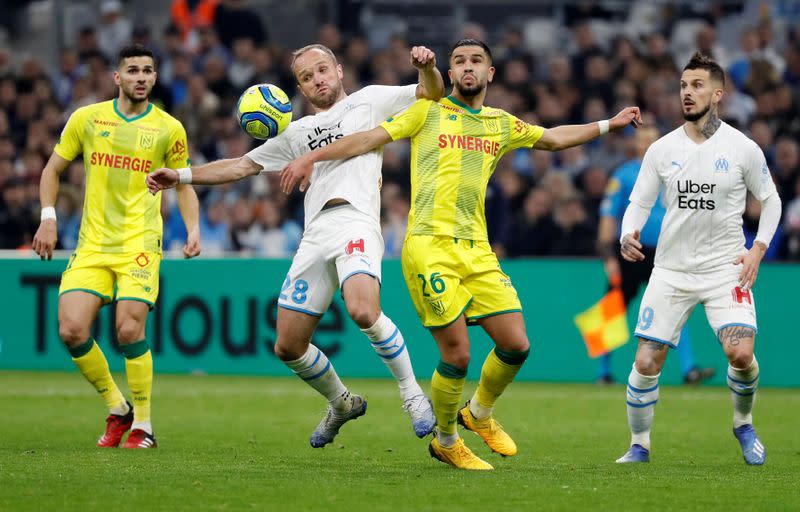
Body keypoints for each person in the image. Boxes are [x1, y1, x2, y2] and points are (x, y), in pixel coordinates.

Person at [279, 39, 642, 470]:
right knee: (458, 354)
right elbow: (365, 139)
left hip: (477, 249)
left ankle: (479, 413)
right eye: (459, 62)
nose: (467, 68)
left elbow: (553, 139)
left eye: (476, 62)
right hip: (429, 246)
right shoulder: (426, 111)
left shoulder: (499, 123)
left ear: (491, 73)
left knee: (516, 344)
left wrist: (608, 125)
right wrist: (311, 158)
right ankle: (446, 440)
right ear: (450, 74)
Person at [146, 43, 444, 447]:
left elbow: (432, 93)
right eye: (307, 77)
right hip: (315, 234)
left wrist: (427, 67)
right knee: (287, 345)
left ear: (338, 70)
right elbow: (239, 165)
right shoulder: (295, 132)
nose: (317, 79)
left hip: (356, 219)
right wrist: (180, 176)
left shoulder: (369, 100)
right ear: (300, 90)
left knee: (362, 308)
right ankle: (341, 403)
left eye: (322, 70)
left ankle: (412, 395)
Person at [31, 44, 202, 449]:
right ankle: (117, 406)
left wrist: (193, 229)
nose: (141, 77)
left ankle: (143, 424)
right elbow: (52, 169)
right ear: (117, 77)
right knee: (71, 330)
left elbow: (184, 184)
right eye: (133, 70)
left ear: (155, 78)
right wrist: (48, 218)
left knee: (128, 330)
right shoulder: (87, 119)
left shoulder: (169, 128)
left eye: (147, 71)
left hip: (140, 243)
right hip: (92, 244)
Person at [615, 53, 781, 465]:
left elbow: (772, 200)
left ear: (718, 93)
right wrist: (626, 233)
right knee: (646, 361)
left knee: (741, 354)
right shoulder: (662, 149)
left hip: (726, 268)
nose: (688, 93)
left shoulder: (742, 148)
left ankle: (743, 423)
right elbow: (639, 202)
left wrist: (757, 249)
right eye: (684, 86)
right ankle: (640, 445)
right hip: (671, 271)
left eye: (697, 86)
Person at [597, 126, 715, 385]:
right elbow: (608, 215)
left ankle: (689, 369)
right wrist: (607, 255)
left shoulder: (675, 171)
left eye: (652, 139)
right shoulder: (624, 174)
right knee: (611, 310)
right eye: (643, 139)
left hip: (665, 251)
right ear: (635, 144)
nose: (648, 143)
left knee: (674, 307)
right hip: (630, 252)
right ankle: (603, 372)